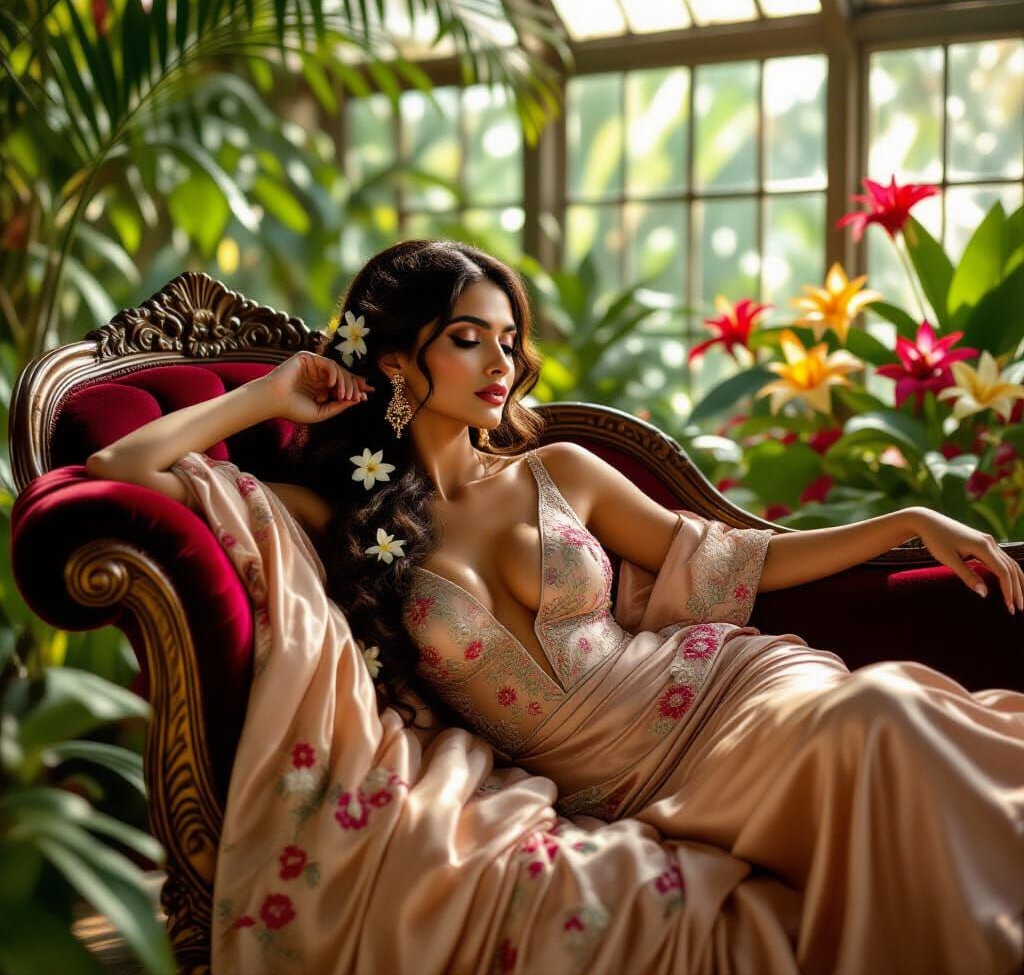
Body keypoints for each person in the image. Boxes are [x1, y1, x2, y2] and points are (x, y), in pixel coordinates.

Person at [86, 239, 1024, 974]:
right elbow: (119, 470)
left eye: (506, 339)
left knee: (880, 713)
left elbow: (737, 557)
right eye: (468, 338)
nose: (502, 362)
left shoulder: (559, 470)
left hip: (729, 697)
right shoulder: (334, 520)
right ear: (401, 360)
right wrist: (269, 393)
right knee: (876, 731)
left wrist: (901, 522)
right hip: (618, 785)